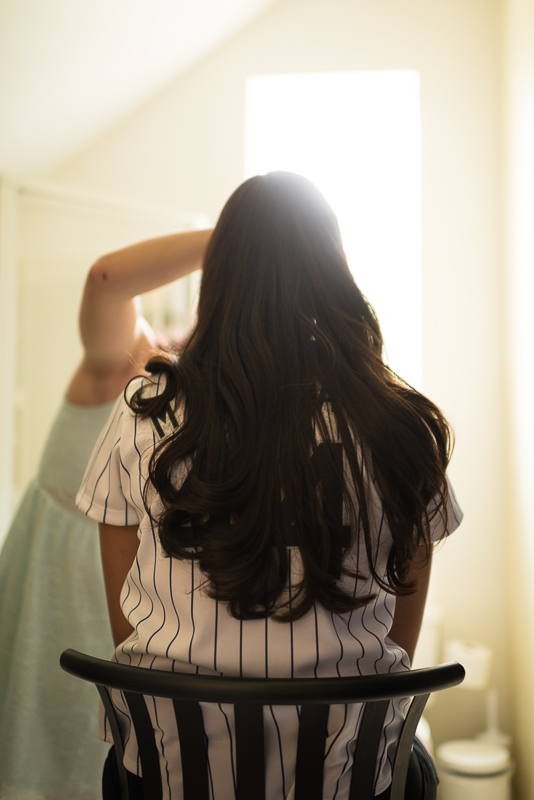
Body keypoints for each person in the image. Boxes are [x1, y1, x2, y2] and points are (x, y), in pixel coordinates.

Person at [76, 172, 463, 800]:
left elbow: (129, 627)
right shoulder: (403, 424)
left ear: (221, 271)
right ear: (334, 269)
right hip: (345, 782)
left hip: (172, 777)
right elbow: (399, 642)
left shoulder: (145, 410)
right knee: (414, 760)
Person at [0, 227, 210, 800]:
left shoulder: (214, 410)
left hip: (135, 604)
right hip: (60, 587)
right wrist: (232, 234)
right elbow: (105, 281)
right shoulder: (128, 363)